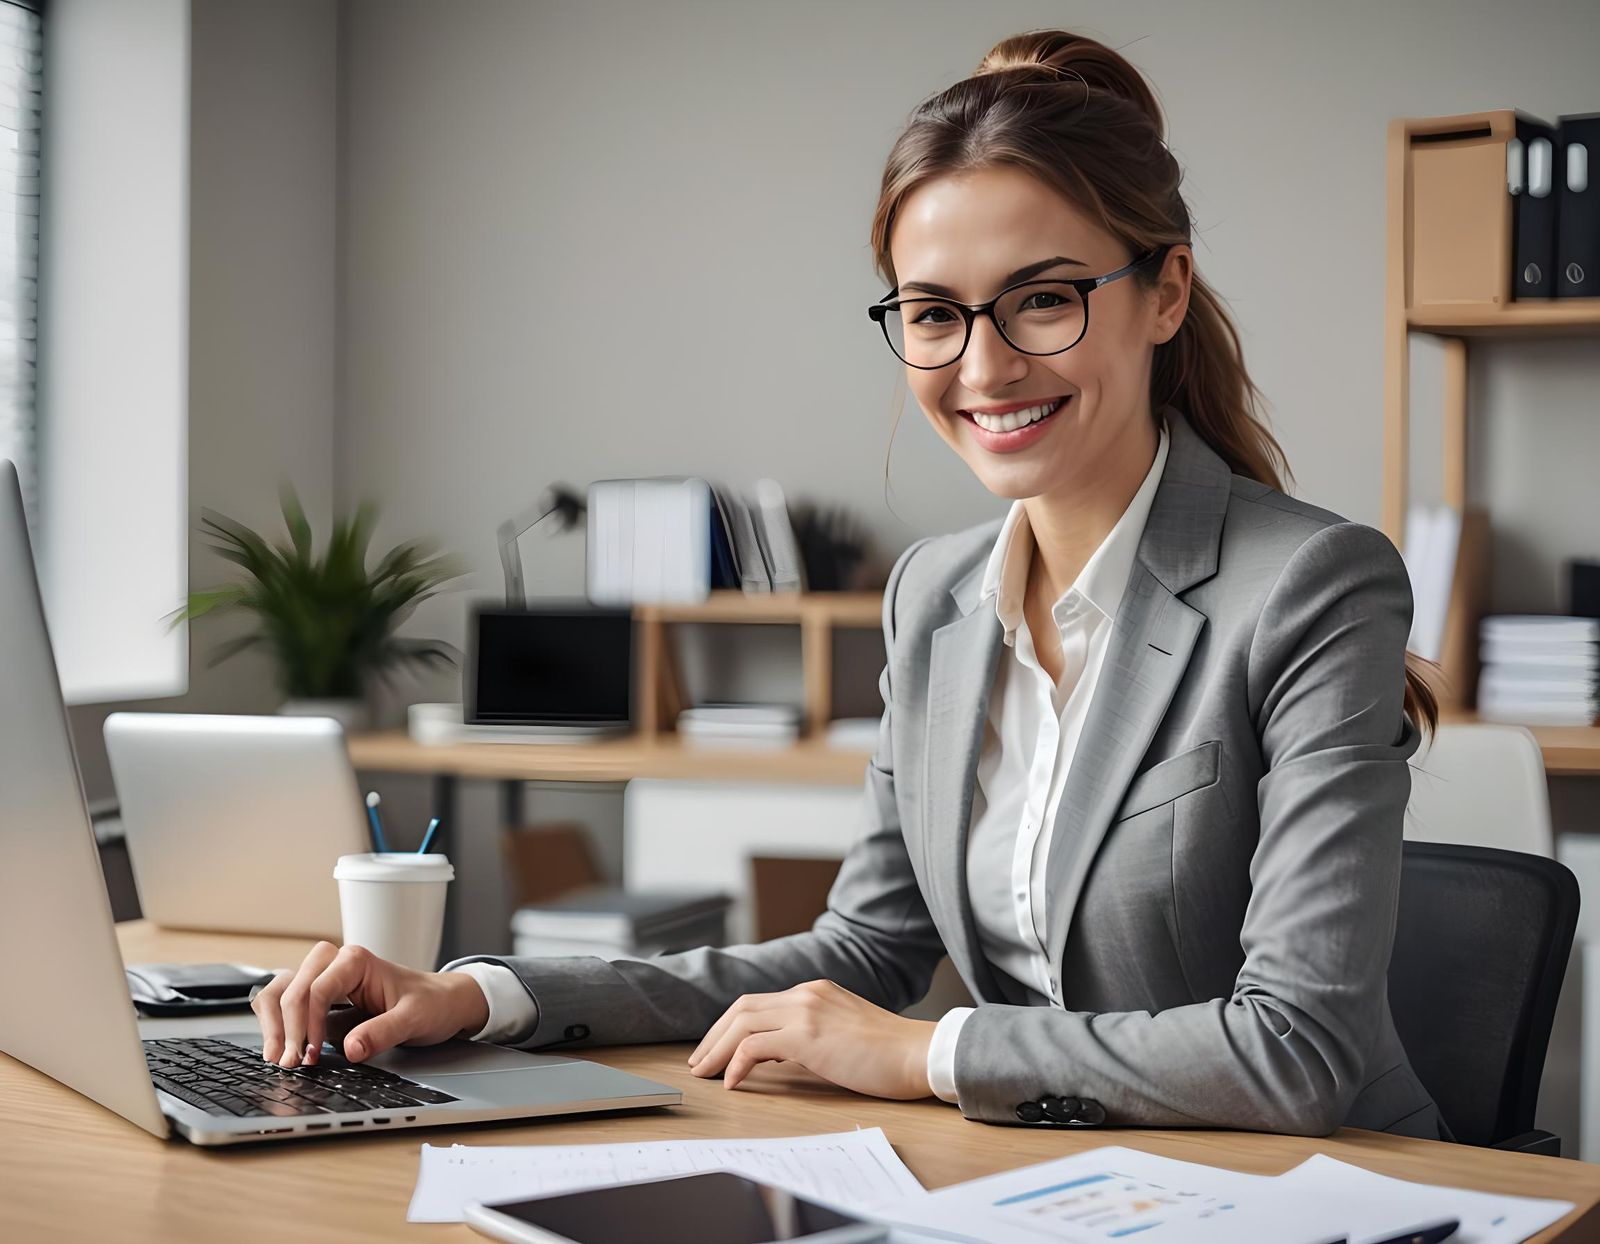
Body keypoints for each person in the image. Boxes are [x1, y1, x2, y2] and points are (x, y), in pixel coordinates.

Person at [253, 28, 1451, 1140]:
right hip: (1059, 1182)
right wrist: (482, 993)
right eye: (933, 313)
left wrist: (929, 1055)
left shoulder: (1309, 584)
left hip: (1326, 1186)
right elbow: (862, 951)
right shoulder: (931, 598)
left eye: (1043, 297)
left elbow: (1296, 1046)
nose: (983, 366)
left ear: (1165, 292)